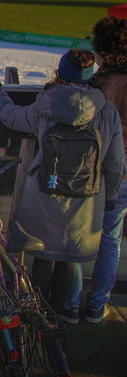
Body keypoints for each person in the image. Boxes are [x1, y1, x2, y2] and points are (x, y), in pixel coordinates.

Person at [0, 49, 124, 313]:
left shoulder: (46, 105)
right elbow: (114, 164)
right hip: (88, 199)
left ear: (61, 72)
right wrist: (111, 196)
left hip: (45, 194)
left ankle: (35, 318)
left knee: (43, 257)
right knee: (68, 260)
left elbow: (10, 116)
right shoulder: (107, 111)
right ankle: (56, 320)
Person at [63, 17, 127, 323]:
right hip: (124, 174)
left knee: (75, 237)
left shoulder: (94, 83)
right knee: (110, 241)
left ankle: (71, 304)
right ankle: (97, 305)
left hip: (88, 170)